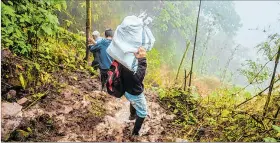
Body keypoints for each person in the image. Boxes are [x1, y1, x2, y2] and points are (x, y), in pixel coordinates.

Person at [121, 47, 148, 136]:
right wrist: (142, 60)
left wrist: (137, 59)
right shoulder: (134, 62)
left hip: (127, 89)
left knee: (133, 101)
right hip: (134, 91)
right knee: (143, 112)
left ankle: (132, 116)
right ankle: (135, 134)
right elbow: (138, 78)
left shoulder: (122, 57)